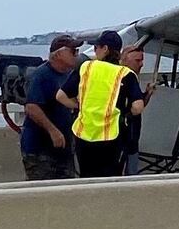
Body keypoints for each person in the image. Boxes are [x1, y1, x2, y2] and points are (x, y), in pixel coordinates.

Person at [56, 31, 145, 178]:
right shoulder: (125, 73)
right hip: (111, 137)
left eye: (97, 47)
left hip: (83, 135)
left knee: (87, 177)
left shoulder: (86, 68)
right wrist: (124, 113)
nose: (95, 50)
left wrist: (80, 106)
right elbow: (137, 107)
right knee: (110, 178)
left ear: (106, 49)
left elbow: (60, 96)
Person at [20, 34, 83, 180]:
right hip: (40, 148)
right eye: (73, 51)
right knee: (42, 189)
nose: (77, 55)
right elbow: (31, 107)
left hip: (64, 148)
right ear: (59, 53)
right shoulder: (41, 75)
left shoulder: (70, 75)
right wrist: (53, 131)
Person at [119, 45, 154, 175]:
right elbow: (137, 108)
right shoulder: (126, 77)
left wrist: (147, 94)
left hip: (132, 138)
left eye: (142, 60)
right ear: (125, 59)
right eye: (137, 61)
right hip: (124, 137)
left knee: (131, 170)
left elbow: (138, 105)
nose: (141, 64)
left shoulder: (132, 79)